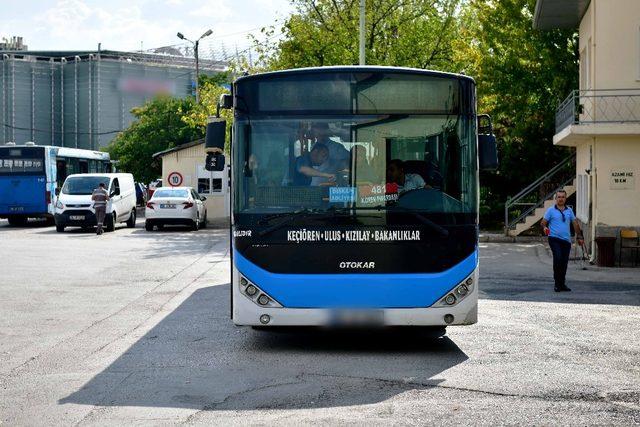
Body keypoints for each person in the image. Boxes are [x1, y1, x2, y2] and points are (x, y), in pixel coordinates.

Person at [540, 189, 584, 292]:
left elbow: (575, 223)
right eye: (559, 197)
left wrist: (580, 236)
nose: (561, 199)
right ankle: (557, 283)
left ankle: (562, 283)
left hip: (566, 241)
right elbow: (543, 223)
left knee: (564, 262)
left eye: (563, 197)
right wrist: (545, 228)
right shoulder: (550, 210)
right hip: (554, 238)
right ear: (556, 199)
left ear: (565, 198)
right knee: (558, 258)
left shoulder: (569, 211)